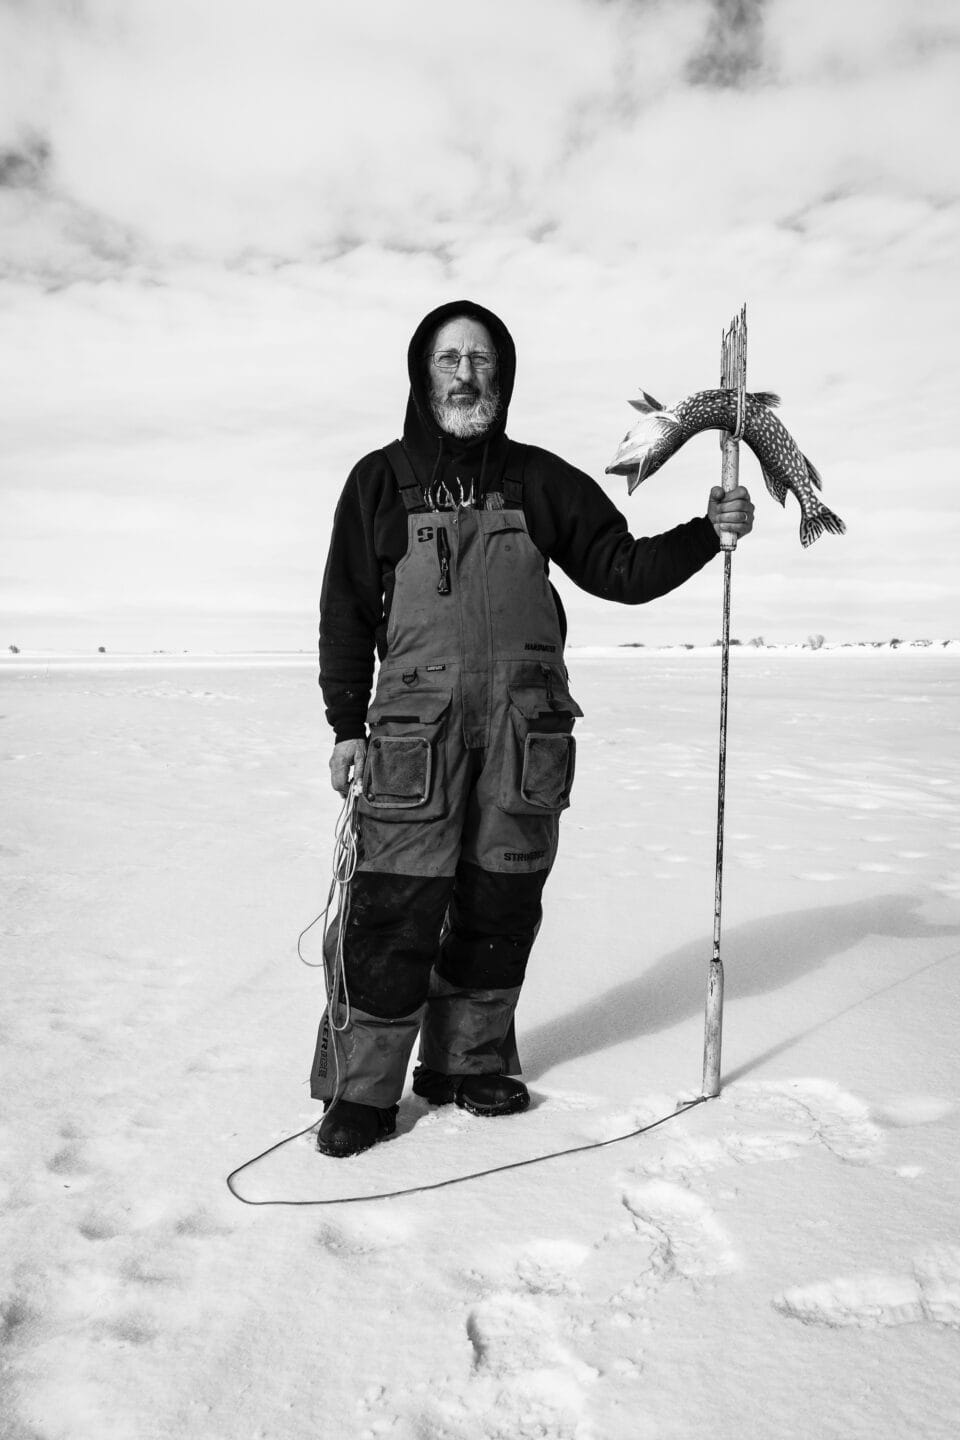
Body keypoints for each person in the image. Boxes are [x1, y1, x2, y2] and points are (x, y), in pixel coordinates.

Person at [311, 300, 754, 1157]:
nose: (466, 374)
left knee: (499, 904)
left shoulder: (540, 479)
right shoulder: (378, 480)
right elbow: (345, 613)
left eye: (482, 359)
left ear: (503, 375)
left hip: (523, 735)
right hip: (413, 740)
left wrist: (708, 532)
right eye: (450, 359)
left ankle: (466, 1062)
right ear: (422, 371)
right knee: (392, 912)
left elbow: (619, 570)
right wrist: (344, 725)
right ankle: (364, 1092)